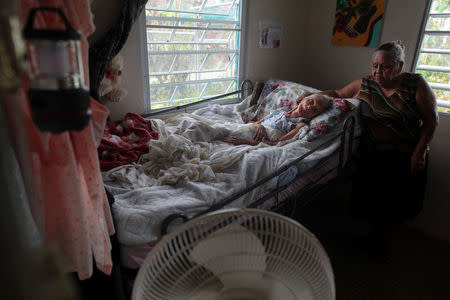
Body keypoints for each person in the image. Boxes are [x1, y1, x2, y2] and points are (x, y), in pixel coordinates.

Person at [296, 40, 439, 259]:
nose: (378, 71)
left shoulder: (415, 85)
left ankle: (382, 247)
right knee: (370, 201)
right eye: (375, 65)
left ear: (399, 66)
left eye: (385, 67)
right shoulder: (366, 84)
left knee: (396, 205)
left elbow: (431, 121)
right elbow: (337, 92)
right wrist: (308, 98)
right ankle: (370, 241)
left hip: (406, 155)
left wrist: (419, 153)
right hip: (374, 152)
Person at [222, 93, 333, 146]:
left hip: (252, 141)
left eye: (315, 110)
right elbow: (253, 123)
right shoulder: (281, 110)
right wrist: (259, 126)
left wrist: (245, 141)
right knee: (219, 130)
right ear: (303, 99)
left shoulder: (301, 125)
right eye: (310, 102)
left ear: (314, 116)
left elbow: (276, 144)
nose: (309, 108)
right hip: (250, 130)